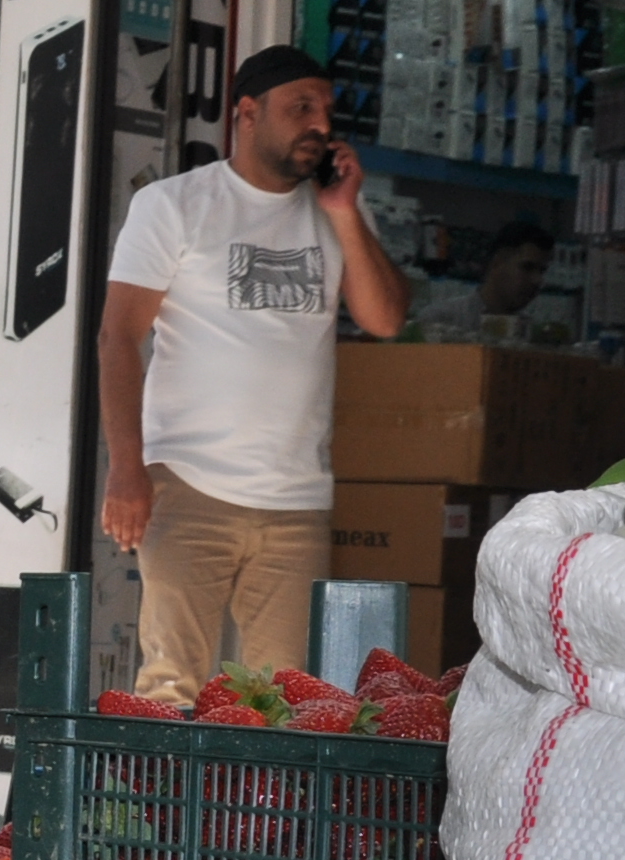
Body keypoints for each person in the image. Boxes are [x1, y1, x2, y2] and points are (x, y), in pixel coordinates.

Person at [99, 44, 412, 706]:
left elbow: (385, 319)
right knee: (171, 688)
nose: (320, 124)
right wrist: (127, 468)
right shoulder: (176, 204)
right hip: (187, 483)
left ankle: (255, 815)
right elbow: (118, 337)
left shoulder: (337, 213)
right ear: (246, 113)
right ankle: (162, 812)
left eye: (327, 109)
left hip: (296, 499)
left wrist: (346, 213)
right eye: (301, 107)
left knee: (287, 701)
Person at [405, 216, 551, 344]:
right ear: (497, 263)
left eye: (542, 271)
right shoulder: (440, 320)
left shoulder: (535, 336)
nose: (537, 280)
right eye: (527, 267)